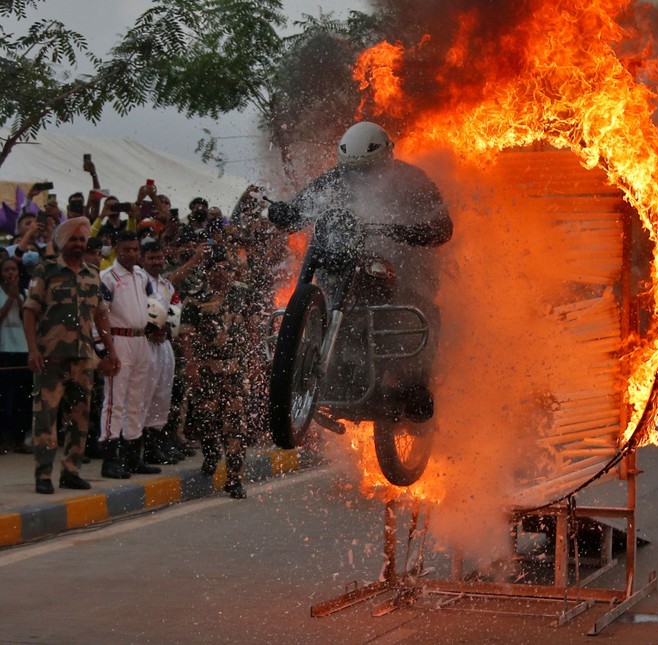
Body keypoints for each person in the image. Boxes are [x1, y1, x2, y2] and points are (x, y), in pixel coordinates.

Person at [267, 121, 453, 417]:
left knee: (423, 308)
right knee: (319, 282)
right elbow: (302, 206)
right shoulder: (333, 179)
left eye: (367, 170)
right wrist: (285, 212)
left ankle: (416, 385)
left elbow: (443, 227)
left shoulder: (412, 180)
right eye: (353, 171)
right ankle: (301, 365)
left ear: (386, 157)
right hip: (341, 262)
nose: (359, 177)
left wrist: (410, 231)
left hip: (401, 266)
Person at [22, 217, 120, 494]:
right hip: (50, 358)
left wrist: (111, 351)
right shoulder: (47, 270)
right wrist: (32, 349)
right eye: (73, 239)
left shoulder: (92, 274)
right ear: (63, 242)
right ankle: (43, 474)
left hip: (83, 358)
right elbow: (30, 311)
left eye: (81, 239)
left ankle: (71, 471)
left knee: (79, 418)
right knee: (46, 418)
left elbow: (101, 316)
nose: (78, 244)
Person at [178, 247, 249, 498]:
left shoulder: (241, 293)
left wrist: (253, 360)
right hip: (206, 369)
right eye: (219, 269)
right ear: (209, 272)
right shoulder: (196, 297)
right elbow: (186, 335)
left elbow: (251, 326)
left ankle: (234, 478)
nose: (225, 274)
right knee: (205, 417)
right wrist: (191, 365)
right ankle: (211, 453)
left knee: (235, 424)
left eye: (228, 269)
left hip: (234, 370)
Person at [98, 231, 160, 478]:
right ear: (116, 250)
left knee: (137, 398)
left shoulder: (141, 275)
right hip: (118, 338)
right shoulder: (108, 277)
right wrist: (104, 350)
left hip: (140, 339)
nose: (132, 254)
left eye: (135, 249)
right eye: (127, 249)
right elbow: (99, 315)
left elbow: (153, 303)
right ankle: (110, 457)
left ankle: (133, 455)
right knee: (115, 399)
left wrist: (157, 324)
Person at [139, 240, 183, 464]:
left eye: (159, 258)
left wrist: (168, 328)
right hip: (144, 343)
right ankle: (137, 448)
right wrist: (150, 329)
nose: (157, 262)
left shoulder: (166, 285)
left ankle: (155, 446)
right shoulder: (139, 281)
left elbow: (175, 308)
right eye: (152, 258)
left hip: (164, 344)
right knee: (144, 394)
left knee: (162, 394)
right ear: (142, 259)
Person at [0, 258, 32, 453]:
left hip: (23, 349)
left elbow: (27, 317)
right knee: (4, 397)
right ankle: (4, 439)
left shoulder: (24, 293)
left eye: (13, 269)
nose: (10, 273)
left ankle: (20, 439)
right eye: (6, 270)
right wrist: (10, 297)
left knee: (23, 398)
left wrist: (18, 297)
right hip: (4, 350)